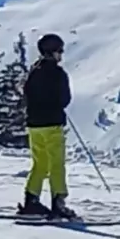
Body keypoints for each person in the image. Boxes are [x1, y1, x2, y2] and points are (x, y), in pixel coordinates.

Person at [19, 33, 77, 220]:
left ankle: (31, 200)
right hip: (52, 125)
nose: (61, 54)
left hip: (34, 125)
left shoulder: (33, 72)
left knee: (40, 163)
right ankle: (58, 203)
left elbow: (26, 95)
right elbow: (64, 99)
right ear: (52, 52)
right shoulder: (59, 74)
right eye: (60, 50)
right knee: (56, 164)